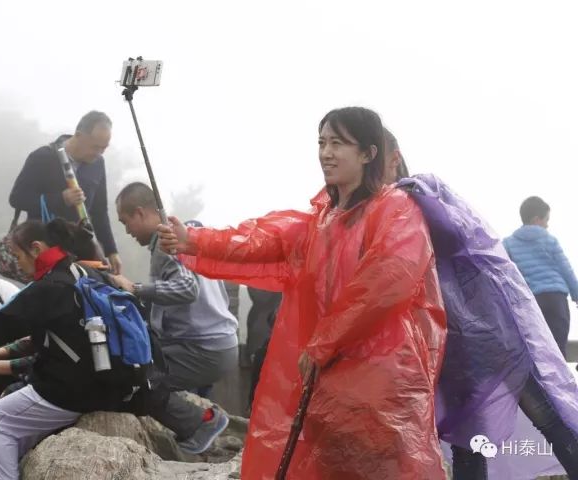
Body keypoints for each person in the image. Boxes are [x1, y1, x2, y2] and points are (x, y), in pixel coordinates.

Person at [157, 107, 447, 479]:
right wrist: (193, 239)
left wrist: (324, 342)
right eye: (322, 142)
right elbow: (261, 240)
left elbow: (385, 283)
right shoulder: (322, 219)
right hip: (328, 377)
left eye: (338, 143)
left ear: (368, 153)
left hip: (381, 376)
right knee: (328, 466)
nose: (326, 152)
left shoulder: (395, 208)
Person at [0, 218, 228, 479]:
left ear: (35, 249)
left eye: (17, 256)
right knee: (12, 422)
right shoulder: (86, 272)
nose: (18, 265)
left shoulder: (49, 288)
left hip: (70, 391)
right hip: (107, 380)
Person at [385, 130, 578, 479]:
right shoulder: (373, 214)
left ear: (390, 156)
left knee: (544, 414)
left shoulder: (422, 189)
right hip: (451, 344)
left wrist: (415, 200)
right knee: (467, 438)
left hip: (489, 331)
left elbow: (463, 236)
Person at [113, 183, 239, 410]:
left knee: (136, 377)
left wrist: (135, 288)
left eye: (126, 222)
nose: (127, 231)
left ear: (140, 213)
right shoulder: (186, 236)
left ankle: (201, 424)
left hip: (203, 349)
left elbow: (188, 288)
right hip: (221, 343)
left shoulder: (165, 243)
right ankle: (200, 418)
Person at [9, 110, 122, 274]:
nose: (99, 153)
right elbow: (17, 198)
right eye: (95, 147)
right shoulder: (43, 157)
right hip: (45, 249)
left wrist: (111, 250)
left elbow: (99, 211)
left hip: (79, 252)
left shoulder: (97, 164)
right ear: (78, 135)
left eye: (104, 148)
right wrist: (60, 199)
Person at [503, 196, 578, 357]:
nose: (547, 225)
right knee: (558, 350)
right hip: (556, 300)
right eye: (546, 220)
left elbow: (506, 275)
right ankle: (560, 381)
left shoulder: (508, 243)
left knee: (537, 352)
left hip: (532, 302)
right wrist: (577, 295)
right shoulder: (549, 240)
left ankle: (539, 382)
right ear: (537, 219)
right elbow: (566, 270)